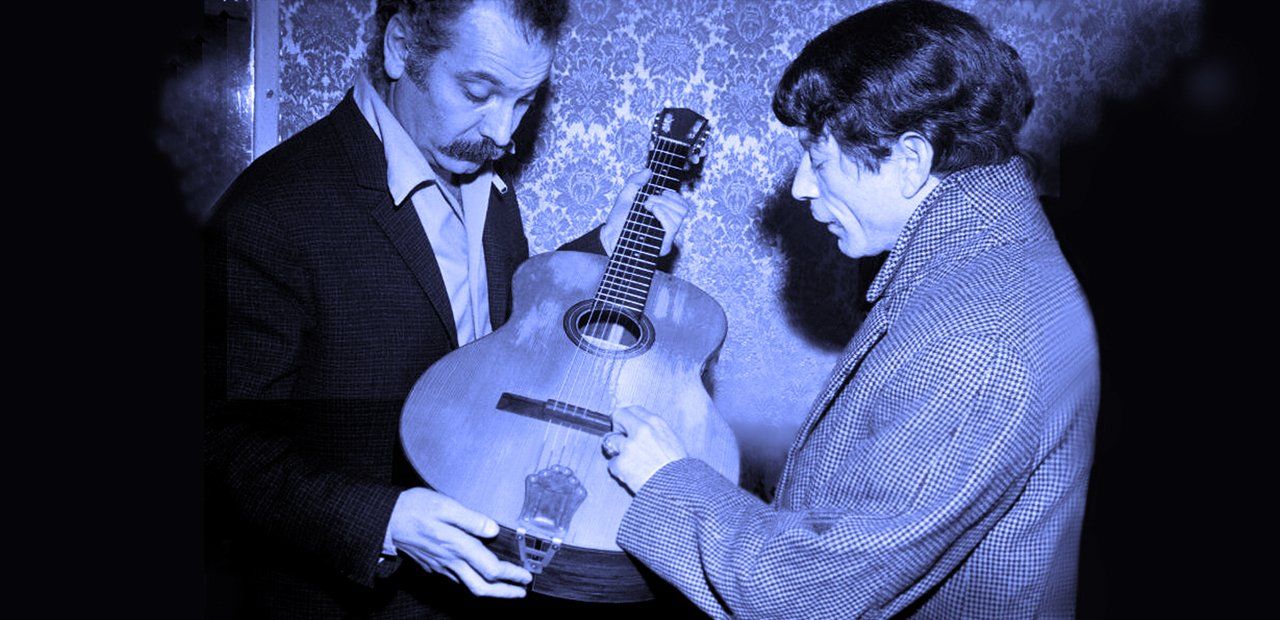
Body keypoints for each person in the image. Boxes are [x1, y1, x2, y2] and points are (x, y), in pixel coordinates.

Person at [602, 0, 1100, 617]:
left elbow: (808, 593)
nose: (801, 187)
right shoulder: (988, 254)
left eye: (818, 157)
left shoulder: (978, 340)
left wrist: (666, 478)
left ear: (910, 161)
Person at [203, 0, 692, 617]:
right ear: (400, 48)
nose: (503, 134)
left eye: (523, 102)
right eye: (478, 92)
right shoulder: (270, 211)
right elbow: (218, 443)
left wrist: (606, 244)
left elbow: (502, 332)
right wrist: (384, 521)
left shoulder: (483, 180)